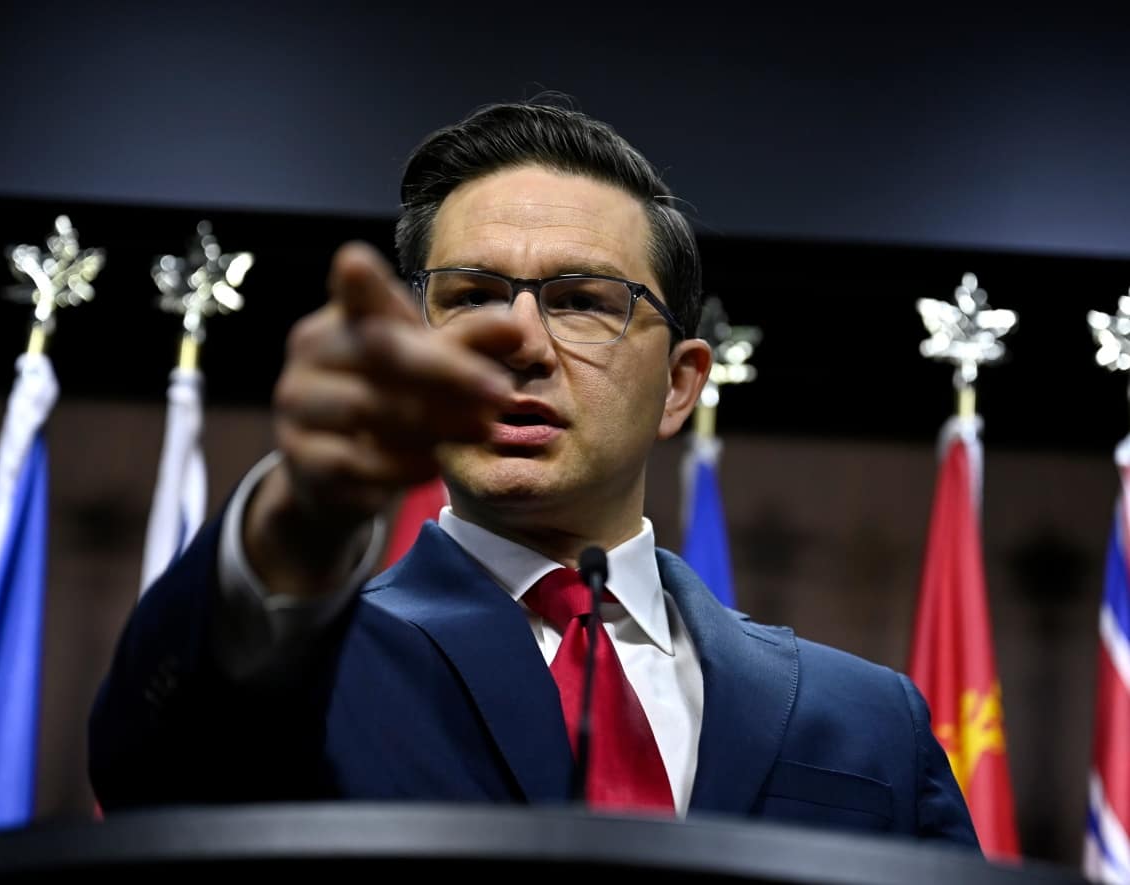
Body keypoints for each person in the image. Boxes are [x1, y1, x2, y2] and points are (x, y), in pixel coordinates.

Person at [88, 98, 979, 848]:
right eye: (470, 296)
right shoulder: (293, 669)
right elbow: (152, 769)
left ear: (680, 384)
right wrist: (297, 516)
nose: (518, 343)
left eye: (583, 301)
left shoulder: (870, 722)